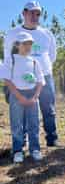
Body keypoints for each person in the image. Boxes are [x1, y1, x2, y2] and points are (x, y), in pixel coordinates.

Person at [4, 1, 58, 146]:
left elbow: (52, 56)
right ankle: (22, 141)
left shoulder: (47, 34)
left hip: (44, 76)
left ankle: (52, 139)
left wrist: (40, 68)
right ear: (24, 13)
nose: (35, 16)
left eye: (38, 13)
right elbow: (8, 56)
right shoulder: (12, 34)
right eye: (31, 12)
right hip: (20, 79)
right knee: (21, 110)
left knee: (49, 108)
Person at [0, 32, 45, 163]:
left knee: (34, 124)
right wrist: (20, 97)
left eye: (30, 43)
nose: (28, 46)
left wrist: (35, 97)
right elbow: (8, 81)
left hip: (32, 96)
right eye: (25, 43)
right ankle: (18, 151)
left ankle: (35, 149)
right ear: (18, 45)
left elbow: (40, 81)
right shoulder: (11, 60)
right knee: (17, 124)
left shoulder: (35, 61)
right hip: (16, 95)